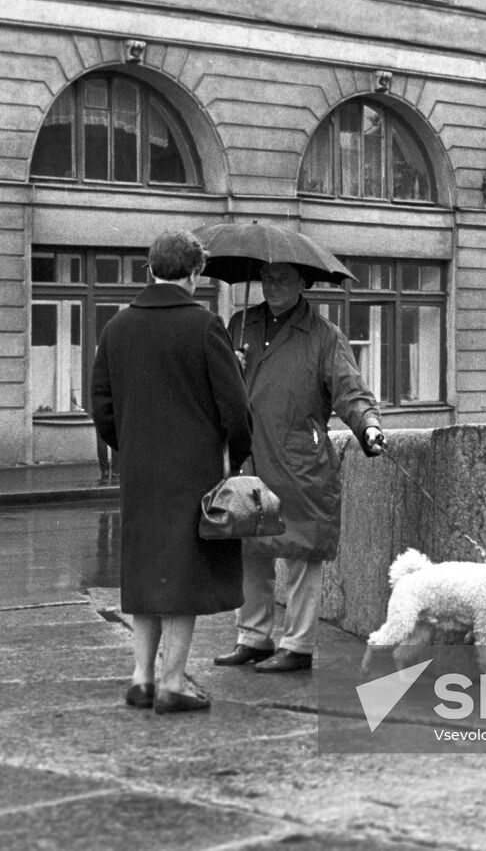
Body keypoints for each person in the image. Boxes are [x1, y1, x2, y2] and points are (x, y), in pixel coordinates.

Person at [90, 230, 252, 715]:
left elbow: (102, 405)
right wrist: (234, 458)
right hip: (194, 470)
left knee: (144, 572)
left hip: (140, 471)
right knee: (183, 576)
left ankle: (141, 678)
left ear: (150, 269)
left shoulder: (117, 327)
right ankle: (174, 681)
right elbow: (236, 407)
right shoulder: (205, 326)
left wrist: (134, 446)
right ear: (196, 273)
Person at [214, 261, 386, 674]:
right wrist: (230, 368)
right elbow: (217, 385)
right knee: (250, 548)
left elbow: (350, 391)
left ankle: (297, 644)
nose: (273, 286)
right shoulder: (241, 325)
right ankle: (253, 637)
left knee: (301, 552)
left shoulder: (324, 336)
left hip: (299, 461)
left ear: (303, 284)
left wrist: (369, 426)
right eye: (269, 278)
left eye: (284, 279)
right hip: (250, 454)